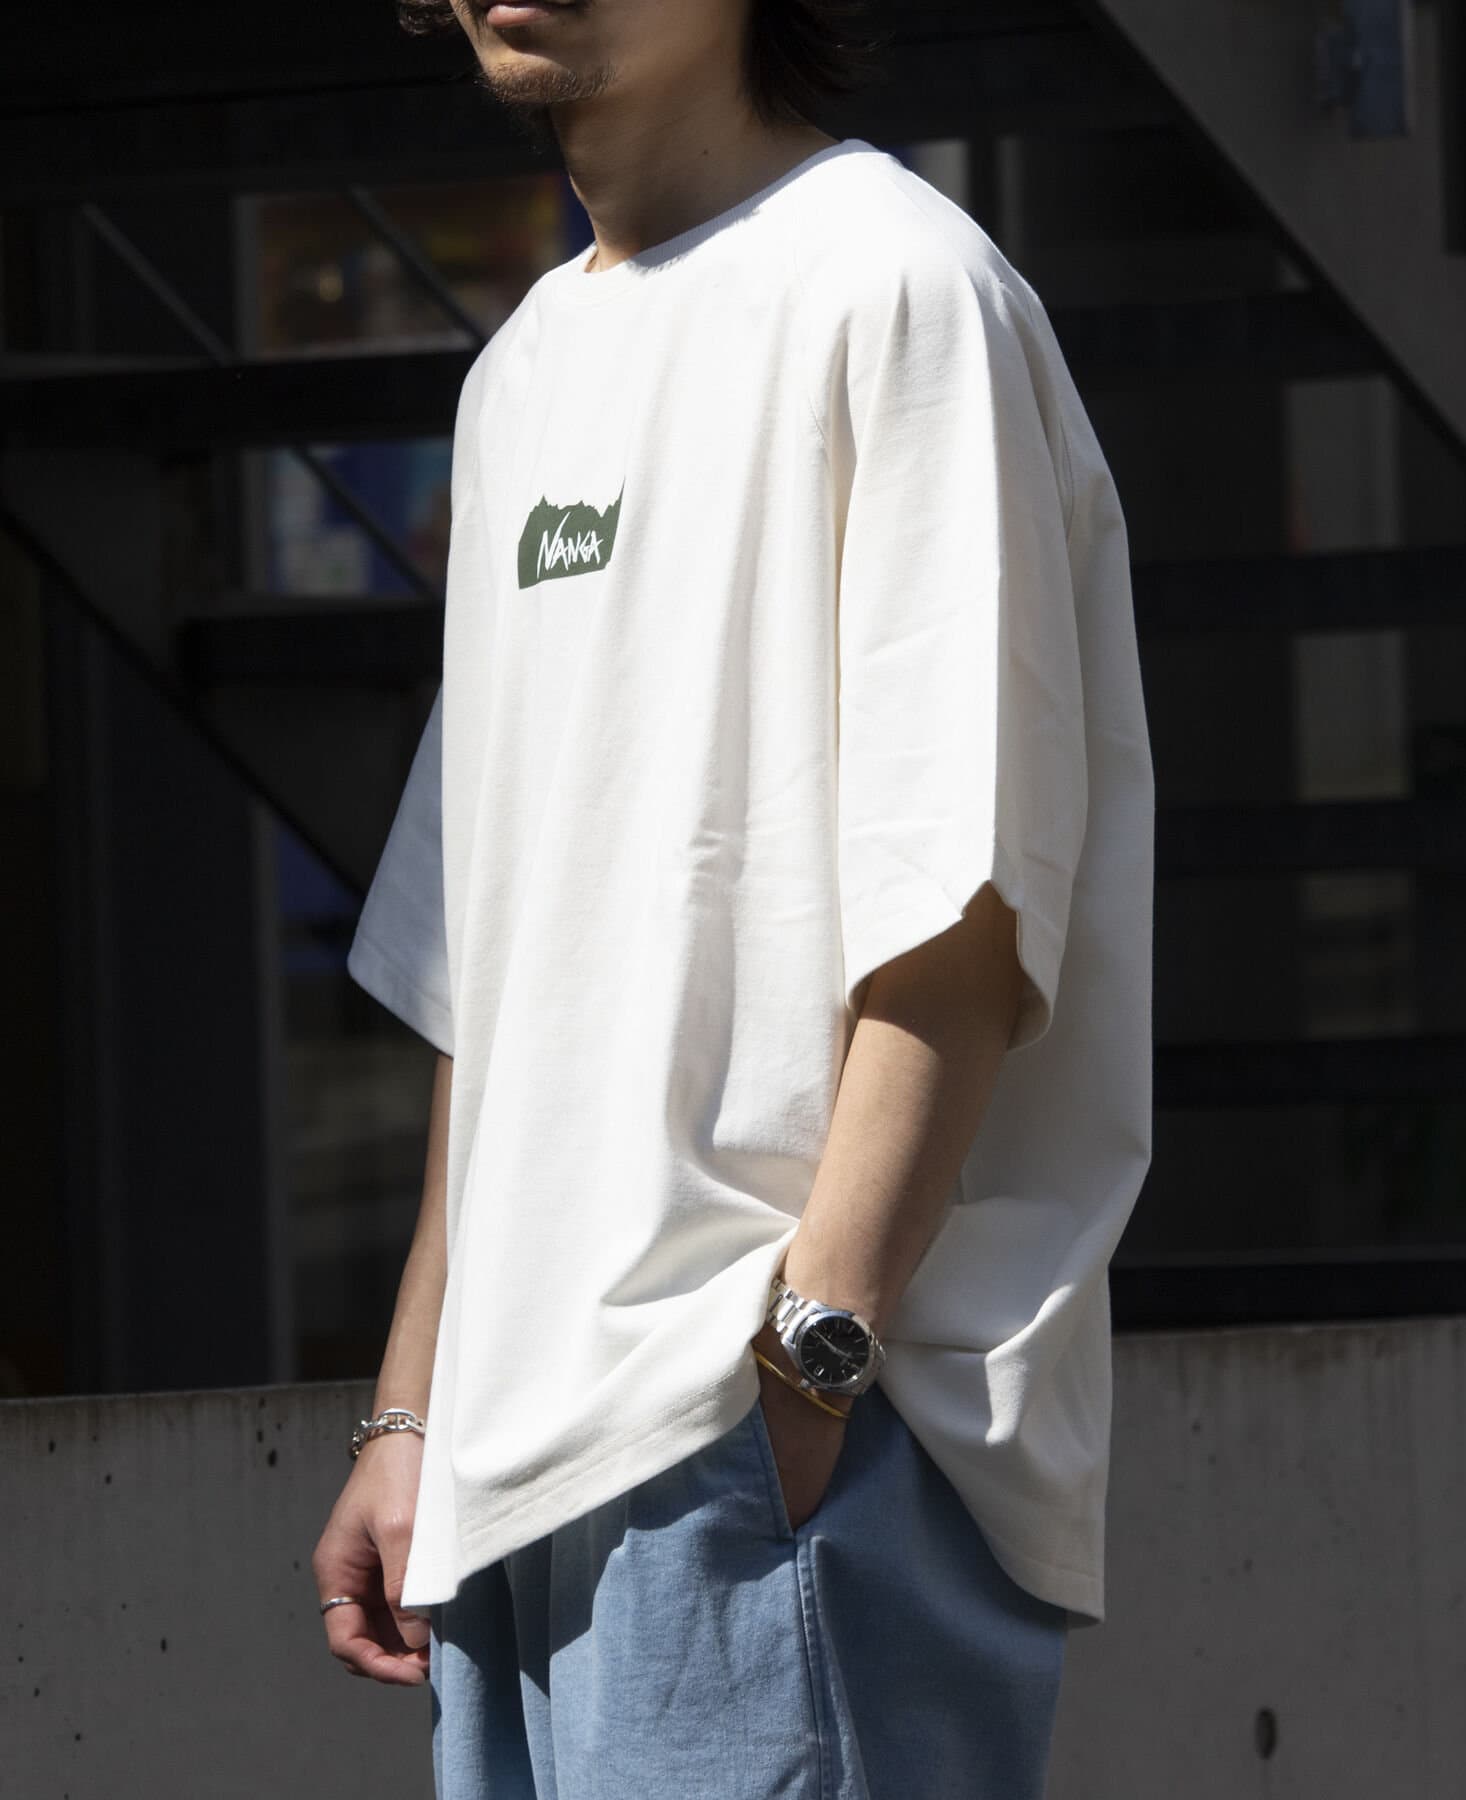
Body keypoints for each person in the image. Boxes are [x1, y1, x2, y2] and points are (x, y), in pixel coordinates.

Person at [310, 1, 1154, 1794]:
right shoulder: (523, 369)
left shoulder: (898, 289)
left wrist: (807, 1366)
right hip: (515, 1462)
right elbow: (494, 957)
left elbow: (965, 909)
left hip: (770, 1427)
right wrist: (412, 1405)